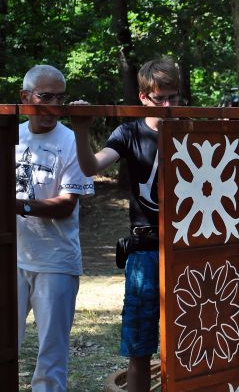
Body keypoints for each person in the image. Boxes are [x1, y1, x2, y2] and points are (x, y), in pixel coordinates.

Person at [71, 57, 180, 392]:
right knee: (139, 344)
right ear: (144, 98)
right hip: (145, 249)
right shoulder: (130, 131)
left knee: (191, 337)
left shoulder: (193, 129)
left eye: (173, 98)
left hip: (189, 248)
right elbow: (91, 166)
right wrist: (81, 129)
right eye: (159, 98)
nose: (167, 105)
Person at [16, 64, 94, 392]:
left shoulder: (72, 141)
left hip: (56, 263)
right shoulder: (10, 136)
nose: (52, 107)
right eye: (45, 97)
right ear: (25, 97)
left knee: (51, 356)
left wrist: (17, 206)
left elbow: (66, 205)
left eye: (60, 100)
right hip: (13, 259)